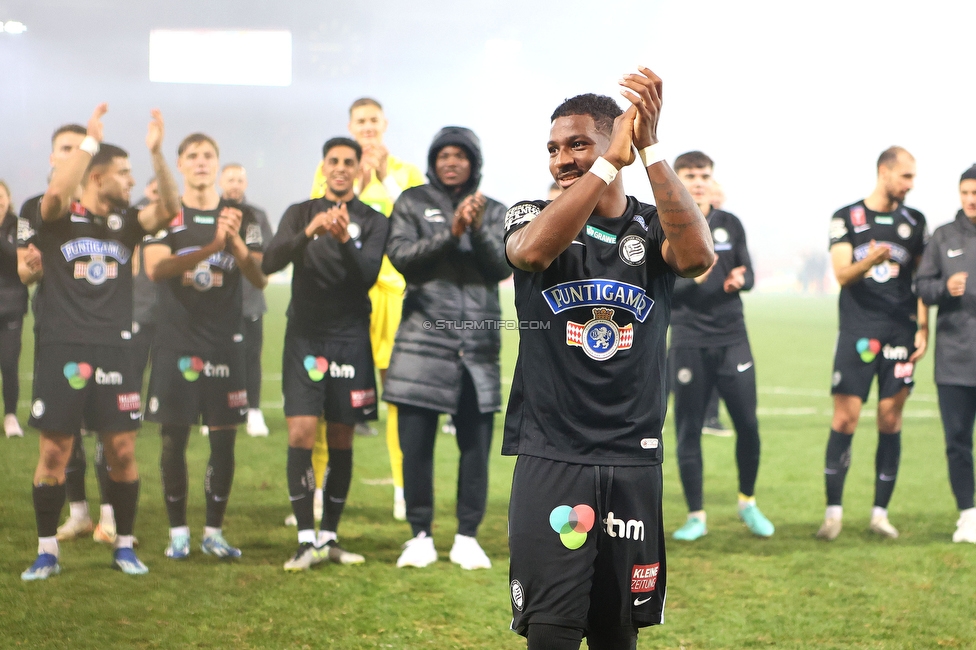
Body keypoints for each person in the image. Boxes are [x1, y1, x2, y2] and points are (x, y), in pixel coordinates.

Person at [503, 68, 713, 649]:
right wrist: (603, 167)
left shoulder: (651, 226)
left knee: (618, 635)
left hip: (632, 460)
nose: (561, 158)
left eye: (578, 144)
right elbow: (531, 253)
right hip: (552, 457)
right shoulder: (529, 214)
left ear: (613, 141)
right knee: (550, 634)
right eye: (553, 148)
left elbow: (697, 257)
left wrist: (649, 149)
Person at [19, 104, 180, 579]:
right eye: (124, 173)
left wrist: (156, 154)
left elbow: (169, 209)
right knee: (54, 453)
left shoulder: (125, 223)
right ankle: (47, 549)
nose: (130, 182)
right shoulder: (50, 216)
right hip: (63, 349)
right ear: (97, 176)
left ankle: (124, 545)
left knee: (123, 452)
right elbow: (55, 192)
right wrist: (88, 142)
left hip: (115, 350)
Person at [384, 126, 509, 570]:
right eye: (443, 154)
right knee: (415, 448)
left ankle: (467, 537)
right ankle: (420, 535)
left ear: (474, 163)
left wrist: (474, 230)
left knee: (475, 449)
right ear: (433, 160)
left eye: (460, 155)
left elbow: (501, 267)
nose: (451, 162)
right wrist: (449, 232)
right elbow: (401, 257)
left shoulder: (494, 210)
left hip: (477, 348)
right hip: (421, 342)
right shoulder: (412, 202)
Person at [264, 137, 389, 570]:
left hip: (350, 339)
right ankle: (304, 540)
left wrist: (342, 241)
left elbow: (368, 276)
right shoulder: (300, 212)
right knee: (300, 433)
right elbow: (268, 263)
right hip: (305, 337)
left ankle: (331, 536)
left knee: (341, 439)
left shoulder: (373, 220)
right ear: (324, 166)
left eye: (348, 162)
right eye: (333, 161)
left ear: (358, 169)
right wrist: (309, 233)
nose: (340, 168)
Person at [143, 133, 266, 560]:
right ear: (179, 165)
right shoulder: (166, 216)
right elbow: (157, 269)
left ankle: (213, 532)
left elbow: (259, 277)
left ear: (217, 164)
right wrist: (211, 247)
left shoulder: (241, 216)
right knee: (173, 440)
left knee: (224, 442)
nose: (200, 162)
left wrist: (233, 244)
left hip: (224, 345)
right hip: (176, 343)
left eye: (208, 155)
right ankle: (178, 533)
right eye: (192, 156)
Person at [308, 98, 425, 522]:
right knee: (326, 396)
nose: (368, 127)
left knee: (399, 397)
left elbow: (423, 223)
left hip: (394, 300)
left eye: (374, 120)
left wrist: (381, 175)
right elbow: (315, 228)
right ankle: (317, 492)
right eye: (361, 121)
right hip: (344, 302)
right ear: (351, 126)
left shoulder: (407, 173)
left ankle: (403, 490)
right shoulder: (331, 174)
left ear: (385, 124)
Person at [818, 146, 928, 541]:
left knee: (890, 418)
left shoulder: (915, 222)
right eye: (906, 176)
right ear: (884, 172)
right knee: (845, 418)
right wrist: (871, 260)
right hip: (857, 331)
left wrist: (923, 328)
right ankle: (833, 514)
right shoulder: (846, 217)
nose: (910, 185)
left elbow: (922, 283)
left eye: (912, 177)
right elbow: (843, 274)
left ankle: (880, 514)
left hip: (900, 332)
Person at [668, 151, 774, 541]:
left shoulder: (730, 223)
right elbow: (661, 291)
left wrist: (740, 281)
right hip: (688, 341)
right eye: (690, 175)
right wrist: (695, 280)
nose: (698, 181)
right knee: (688, 430)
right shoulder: (665, 224)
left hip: (732, 338)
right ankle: (696, 516)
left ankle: (747, 501)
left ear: (712, 180)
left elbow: (747, 271)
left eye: (704, 175)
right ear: (676, 179)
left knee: (748, 425)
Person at [916, 164, 976, 544]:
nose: (971, 200)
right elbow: (921, 287)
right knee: (957, 441)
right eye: (966, 193)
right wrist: (943, 287)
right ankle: (968, 515)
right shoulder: (942, 237)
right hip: (954, 361)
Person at [220, 163, 273, 437]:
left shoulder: (257, 216)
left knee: (251, 358)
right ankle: (215, 411)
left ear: (246, 183)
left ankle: (253, 412)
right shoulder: (210, 213)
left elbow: (267, 256)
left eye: (240, 179)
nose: (235, 184)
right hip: (216, 302)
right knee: (217, 356)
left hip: (250, 299)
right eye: (230, 179)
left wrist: (242, 256)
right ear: (221, 181)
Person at [0, 179, 27, 437]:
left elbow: (19, 258)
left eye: (1, 196)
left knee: (8, 364)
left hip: (11, 306)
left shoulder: (20, 226)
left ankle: (10, 417)